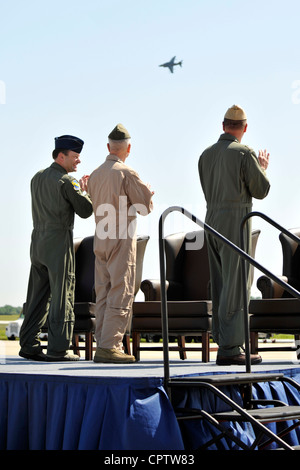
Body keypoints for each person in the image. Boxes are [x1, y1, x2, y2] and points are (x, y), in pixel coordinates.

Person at [198, 105, 270, 365]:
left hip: (211, 220)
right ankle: (231, 348)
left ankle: (223, 340)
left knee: (220, 283)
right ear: (245, 128)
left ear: (223, 125)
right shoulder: (244, 153)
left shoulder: (205, 155)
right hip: (235, 221)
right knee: (238, 283)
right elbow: (260, 190)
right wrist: (261, 168)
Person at [19, 135, 93, 362]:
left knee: (36, 296)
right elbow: (85, 210)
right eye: (75, 156)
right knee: (62, 294)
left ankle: (28, 344)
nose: (78, 161)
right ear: (61, 156)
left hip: (37, 241)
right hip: (58, 241)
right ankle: (58, 348)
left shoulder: (37, 178)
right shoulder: (66, 181)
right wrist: (85, 190)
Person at [88, 123, 154, 363]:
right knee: (121, 288)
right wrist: (147, 192)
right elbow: (144, 208)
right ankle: (110, 345)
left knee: (103, 291)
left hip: (101, 236)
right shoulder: (127, 173)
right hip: (121, 236)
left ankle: (102, 343)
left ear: (108, 147)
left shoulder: (94, 175)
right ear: (128, 148)